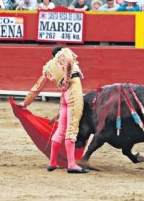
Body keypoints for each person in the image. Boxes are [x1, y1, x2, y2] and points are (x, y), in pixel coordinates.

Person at [17, 46, 90, 174]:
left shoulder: (49, 67)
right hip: (74, 92)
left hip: (64, 97)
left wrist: (25, 103)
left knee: (61, 130)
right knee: (72, 128)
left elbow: (38, 86)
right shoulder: (65, 53)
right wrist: (67, 79)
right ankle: (72, 164)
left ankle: (52, 162)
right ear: (59, 53)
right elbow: (68, 61)